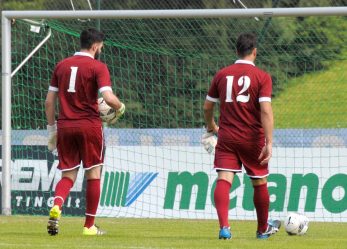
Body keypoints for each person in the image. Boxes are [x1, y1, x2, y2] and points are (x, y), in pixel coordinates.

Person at [45, 28, 125, 236]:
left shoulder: (61, 66)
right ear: (95, 46)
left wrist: (51, 129)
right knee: (94, 173)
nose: (101, 50)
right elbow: (107, 98)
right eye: (101, 47)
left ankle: (57, 206)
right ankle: (89, 226)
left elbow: (49, 102)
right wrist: (120, 107)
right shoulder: (98, 66)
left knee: (68, 175)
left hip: (65, 126)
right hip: (89, 126)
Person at [202, 33, 280, 240]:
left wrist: (211, 126)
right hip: (252, 138)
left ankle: (224, 228)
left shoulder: (222, 74)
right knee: (259, 182)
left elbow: (208, 106)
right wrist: (269, 142)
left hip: (227, 137)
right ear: (255, 52)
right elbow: (265, 110)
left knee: (224, 178)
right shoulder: (262, 77)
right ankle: (263, 230)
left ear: (236, 51)